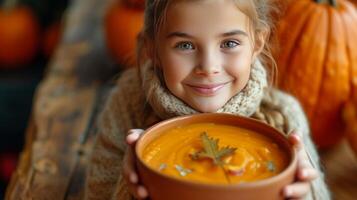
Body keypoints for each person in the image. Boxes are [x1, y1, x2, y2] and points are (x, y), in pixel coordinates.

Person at [85, 0, 331, 199]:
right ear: (153, 49)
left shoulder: (284, 116)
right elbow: (97, 192)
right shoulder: (128, 105)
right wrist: (134, 185)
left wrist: (301, 190)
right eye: (185, 46)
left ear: (257, 42)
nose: (209, 67)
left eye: (230, 43)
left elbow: (316, 194)